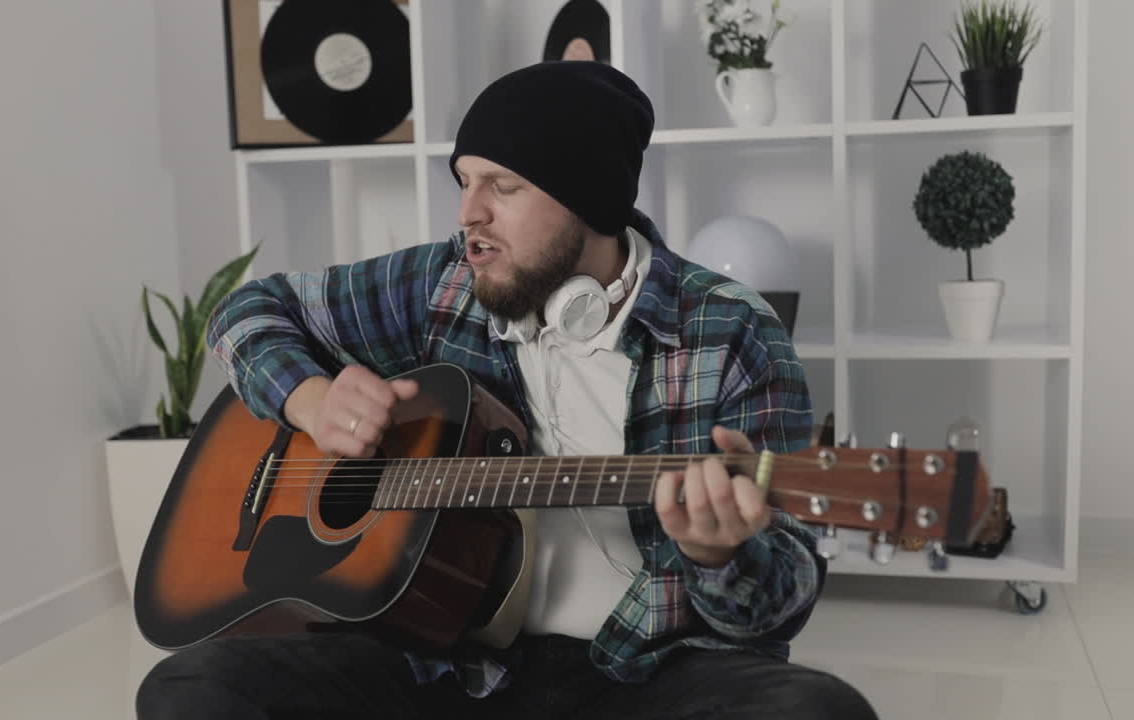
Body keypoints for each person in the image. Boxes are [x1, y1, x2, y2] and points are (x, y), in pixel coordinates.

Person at [138, 61, 876, 720]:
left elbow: (781, 601)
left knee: (819, 711)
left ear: (589, 200)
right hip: (447, 663)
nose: (470, 214)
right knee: (191, 687)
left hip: (647, 674)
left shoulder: (731, 330)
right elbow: (247, 310)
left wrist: (722, 556)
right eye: (465, 182)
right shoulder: (446, 282)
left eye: (504, 186)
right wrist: (310, 399)